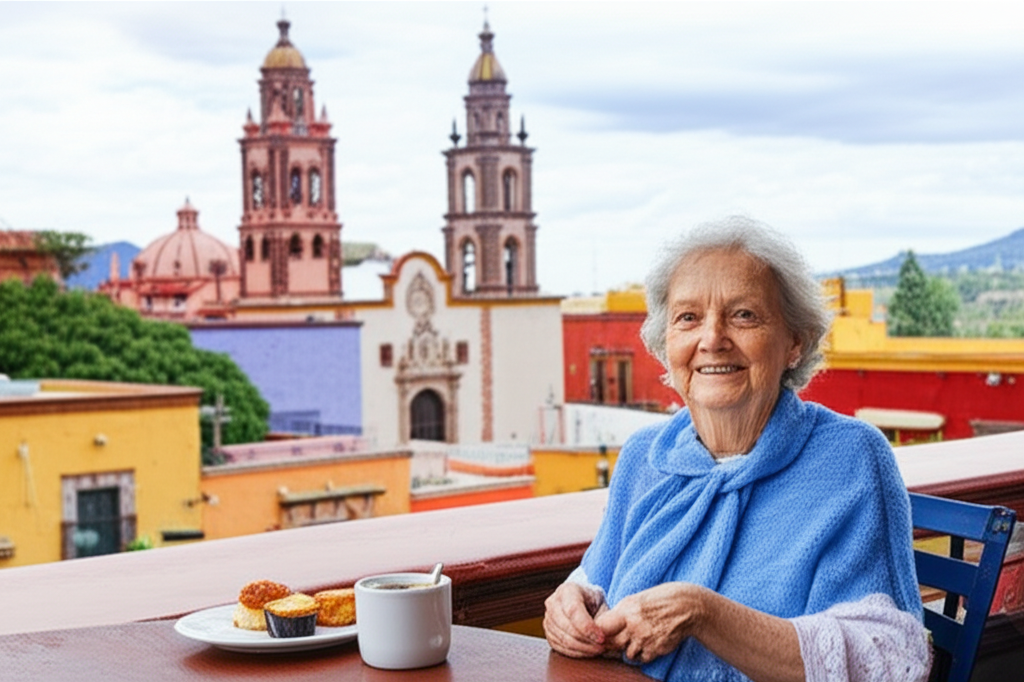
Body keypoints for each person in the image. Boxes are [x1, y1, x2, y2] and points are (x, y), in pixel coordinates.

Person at [544, 216, 930, 682]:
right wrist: (568, 607)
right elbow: (595, 580)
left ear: (793, 343)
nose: (711, 340)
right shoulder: (646, 455)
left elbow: (888, 659)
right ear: (666, 344)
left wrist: (704, 615)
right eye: (688, 318)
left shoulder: (851, 458)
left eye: (743, 315)